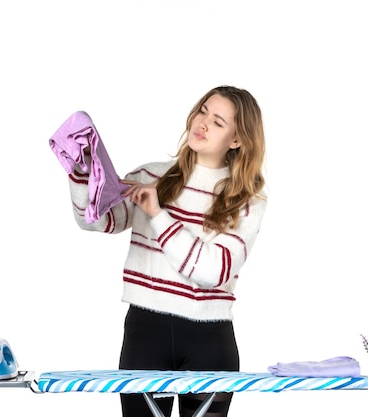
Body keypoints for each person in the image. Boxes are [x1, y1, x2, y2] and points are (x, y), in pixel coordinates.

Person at [66, 85, 267, 417]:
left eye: (217, 122)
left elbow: (214, 271)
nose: (202, 124)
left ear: (237, 139)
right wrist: (82, 171)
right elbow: (98, 220)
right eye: (202, 111)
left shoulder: (247, 199)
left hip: (210, 339)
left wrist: (159, 215)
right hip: (145, 334)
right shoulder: (152, 176)